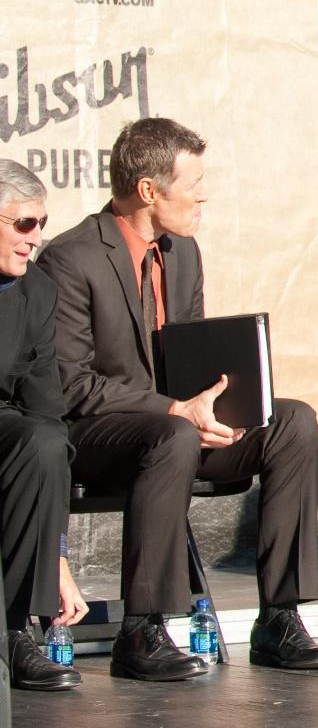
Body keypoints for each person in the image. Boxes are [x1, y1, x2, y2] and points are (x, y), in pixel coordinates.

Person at [42, 119, 318, 681]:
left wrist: (219, 403)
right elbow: (71, 385)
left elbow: (187, 355)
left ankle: (280, 617)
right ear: (149, 190)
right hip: (97, 436)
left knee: (292, 420)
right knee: (171, 433)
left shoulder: (183, 253)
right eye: (192, 182)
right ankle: (143, 628)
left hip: (175, 430)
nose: (203, 194)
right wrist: (176, 411)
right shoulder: (71, 258)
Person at [0, 162, 86, 692]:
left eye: (41, 224)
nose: (36, 239)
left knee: (46, 440)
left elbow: (46, 408)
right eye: (24, 224)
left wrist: (56, 554)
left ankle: (14, 632)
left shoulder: (36, 292)